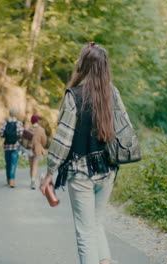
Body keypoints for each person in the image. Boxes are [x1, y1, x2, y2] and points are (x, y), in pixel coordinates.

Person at [40, 43, 121, 264]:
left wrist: (50, 172)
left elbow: (63, 140)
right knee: (96, 223)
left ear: (83, 65)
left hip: (81, 172)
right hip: (108, 170)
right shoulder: (112, 93)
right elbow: (124, 129)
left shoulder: (74, 95)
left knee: (85, 232)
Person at [0, 108, 24, 188]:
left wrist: (7, 136)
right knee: (13, 163)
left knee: (8, 163)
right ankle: (12, 180)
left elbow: (0, 133)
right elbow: (20, 134)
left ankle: (8, 179)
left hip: (6, 146)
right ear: (16, 114)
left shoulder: (5, 123)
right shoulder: (19, 123)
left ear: (9, 114)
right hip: (15, 146)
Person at [27, 114, 47, 189]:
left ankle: (32, 180)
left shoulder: (28, 128)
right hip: (37, 149)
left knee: (31, 166)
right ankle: (33, 181)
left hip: (29, 149)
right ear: (37, 121)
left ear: (31, 121)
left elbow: (25, 140)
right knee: (35, 165)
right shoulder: (41, 130)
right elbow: (44, 141)